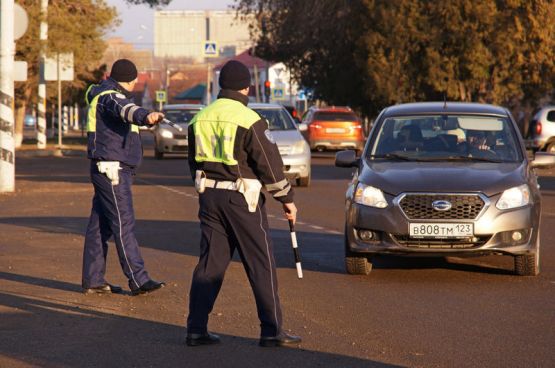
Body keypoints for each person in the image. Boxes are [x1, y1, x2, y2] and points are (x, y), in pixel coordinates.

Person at [185, 60, 301, 347]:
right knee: (260, 262)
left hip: (209, 197)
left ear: (221, 86)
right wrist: (286, 199)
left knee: (210, 264)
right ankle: (272, 331)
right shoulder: (249, 119)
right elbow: (269, 167)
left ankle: (196, 329)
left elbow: (193, 163)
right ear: (247, 87)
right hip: (243, 199)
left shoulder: (199, 118)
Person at [82, 59, 166, 296]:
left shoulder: (103, 93)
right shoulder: (111, 96)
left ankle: (94, 280)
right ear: (130, 79)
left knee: (100, 225)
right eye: (135, 79)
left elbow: (123, 116)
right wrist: (146, 116)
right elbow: (127, 110)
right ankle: (138, 279)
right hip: (112, 169)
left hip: (107, 167)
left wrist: (143, 119)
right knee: (123, 222)